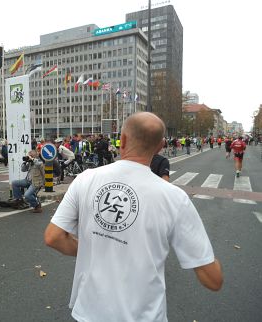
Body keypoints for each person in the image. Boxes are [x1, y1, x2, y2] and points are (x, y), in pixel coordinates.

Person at [44, 112, 223, 322]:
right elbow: (213, 280)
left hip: (89, 312)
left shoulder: (86, 179)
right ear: (160, 146)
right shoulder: (174, 198)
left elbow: (53, 237)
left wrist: (92, 247)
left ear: (124, 140)